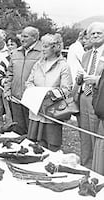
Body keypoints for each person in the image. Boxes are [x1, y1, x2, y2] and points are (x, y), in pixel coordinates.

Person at [25, 33, 72, 152]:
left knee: (51, 145)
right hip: (36, 110)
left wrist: (49, 94)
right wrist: (34, 92)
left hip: (52, 112)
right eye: (42, 46)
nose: (42, 49)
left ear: (55, 47)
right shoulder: (38, 64)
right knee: (33, 142)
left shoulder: (63, 66)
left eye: (46, 46)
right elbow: (29, 82)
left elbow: (67, 89)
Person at [75, 22, 104, 169]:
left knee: (96, 135)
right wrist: (79, 78)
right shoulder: (86, 54)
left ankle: (96, 168)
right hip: (83, 96)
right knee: (84, 133)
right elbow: (81, 74)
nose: (96, 36)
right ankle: (85, 165)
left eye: (99, 33)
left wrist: (97, 80)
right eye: (93, 34)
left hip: (99, 99)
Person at [6, 26, 43, 135]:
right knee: (17, 128)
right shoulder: (15, 53)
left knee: (31, 131)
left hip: (32, 99)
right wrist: (7, 89)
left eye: (25, 36)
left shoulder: (42, 53)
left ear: (35, 38)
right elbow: (10, 73)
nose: (22, 39)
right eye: (21, 36)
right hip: (16, 97)